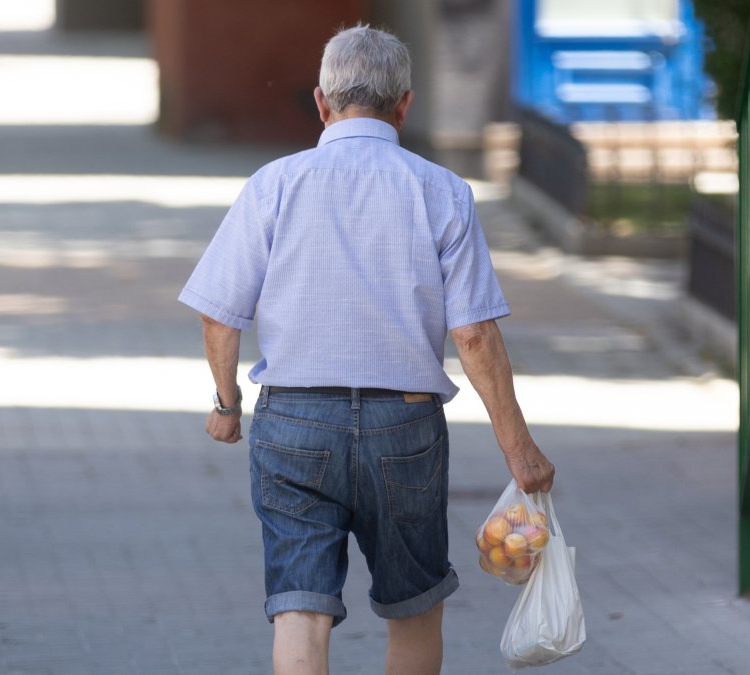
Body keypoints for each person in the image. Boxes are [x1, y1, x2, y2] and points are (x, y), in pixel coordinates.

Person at [179, 25, 555, 675]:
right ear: (405, 105)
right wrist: (517, 446)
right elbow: (473, 333)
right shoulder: (443, 190)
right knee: (413, 606)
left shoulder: (274, 184)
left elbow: (219, 312)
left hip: (293, 422)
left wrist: (227, 403)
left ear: (321, 102)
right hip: (403, 427)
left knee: (300, 605)